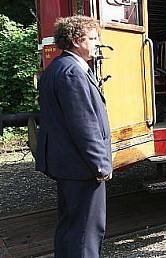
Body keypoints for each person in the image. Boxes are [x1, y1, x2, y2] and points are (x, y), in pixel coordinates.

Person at [35, 15, 112, 257]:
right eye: (93, 38)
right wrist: (100, 163)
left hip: (68, 164)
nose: (97, 43)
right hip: (82, 167)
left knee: (69, 226)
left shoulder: (56, 68)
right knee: (86, 232)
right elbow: (84, 125)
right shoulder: (72, 73)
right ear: (76, 40)